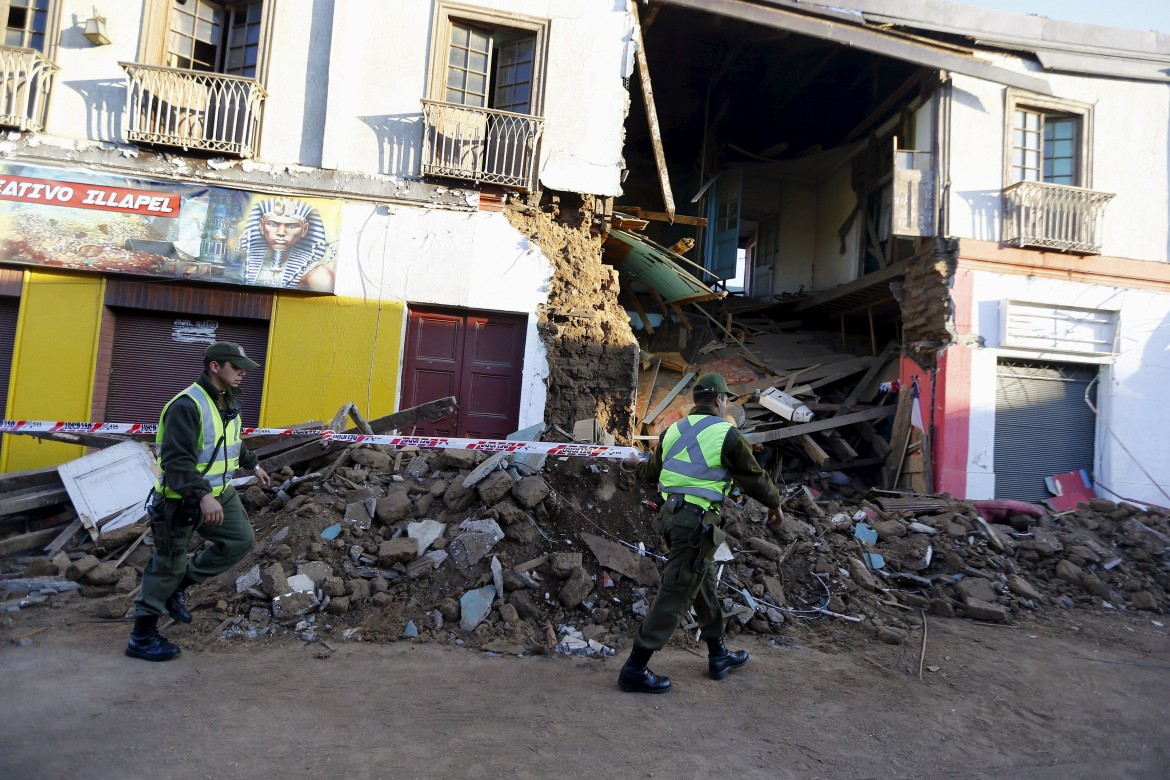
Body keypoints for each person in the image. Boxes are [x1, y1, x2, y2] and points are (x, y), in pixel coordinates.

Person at [617, 373, 783, 693]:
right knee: (676, 591)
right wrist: (774, 503)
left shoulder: (672, 431)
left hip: (671, 518)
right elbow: (752, 476)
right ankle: (634, 668)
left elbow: (652, 472)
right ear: (720, 400)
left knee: (702, 582)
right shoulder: (727, 434)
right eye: (726, 400)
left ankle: (718, 653)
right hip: (695, 522)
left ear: (698, 400)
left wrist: (633, 464)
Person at [125, 341, 271, 661]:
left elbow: (230, 443)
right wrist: (203, 495)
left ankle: (181, 586)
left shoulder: (227, 400)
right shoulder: (186, 405)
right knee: (165, 566)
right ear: (214, 366)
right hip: (181, 499)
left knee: (240, 540)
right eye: (236, 366)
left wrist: (253, 464)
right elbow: (177, 462)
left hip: (220, 494)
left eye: (244, 367)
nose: (243, 373)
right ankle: (142, 637)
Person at [236, 198, 334, 291]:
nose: (281, 233)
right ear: (261, 226)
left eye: (291, 226)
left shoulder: (318, 274)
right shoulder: (249, 265)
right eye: (273, 224)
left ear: (304, 230)